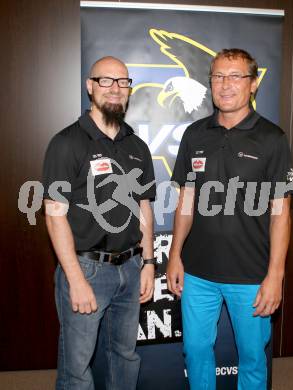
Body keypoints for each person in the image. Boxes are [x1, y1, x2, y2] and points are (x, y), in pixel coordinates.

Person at [167, 48, 293, 390]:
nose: (225, 85)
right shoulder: (195, 134)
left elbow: (281, 213)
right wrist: (175, 254)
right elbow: (186, 201)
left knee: (253, 357)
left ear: (253, 84)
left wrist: (275, 276)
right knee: (195, 352)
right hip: (197, 272)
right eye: (218, 76)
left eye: (236, 76)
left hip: (252, 274)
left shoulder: (272, 138)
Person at [43, 56, 156, 390]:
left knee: (124, 356)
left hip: (130, 268)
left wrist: (148, 262)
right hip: (86, 269)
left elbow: (143, 207)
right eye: (106, 81)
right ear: (90, 87)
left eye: (122, 82)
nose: (115, 89)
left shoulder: (137, 147)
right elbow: (54, 216)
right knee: (76, 368)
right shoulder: (66, 143)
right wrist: (75, 279)